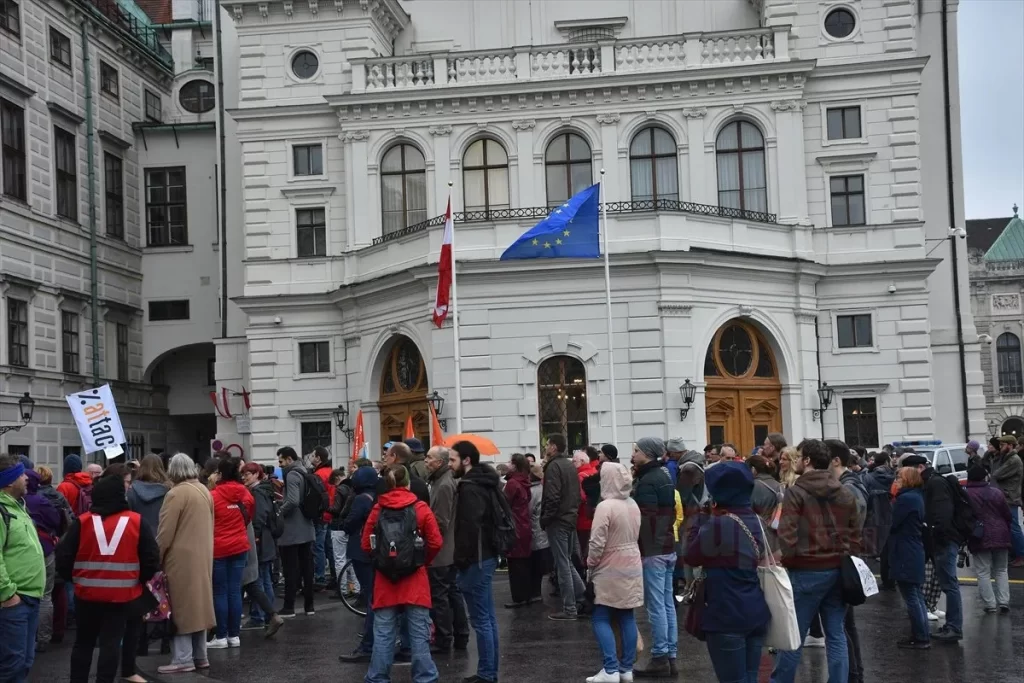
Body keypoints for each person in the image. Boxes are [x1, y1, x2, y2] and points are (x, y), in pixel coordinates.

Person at [771, 439, 862, 683]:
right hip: (837, 568)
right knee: (836, 634)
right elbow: (855, 533)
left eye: (799, 457)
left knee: (794, 635)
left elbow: (787, 534)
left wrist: (788, 560)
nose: (796, 460)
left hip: (806, 569)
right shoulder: (843, 491)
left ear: (808, 461)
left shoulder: (797, 492)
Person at [56, 472, 159, 683]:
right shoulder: (136, 522)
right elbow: (151, 558)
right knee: (110, 645)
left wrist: (74, 579)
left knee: (83, 643)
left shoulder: (83, 522)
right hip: (122, 596)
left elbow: (64, 556)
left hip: (86, 595)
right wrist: (138, 580)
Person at [684, 461, 771, 683]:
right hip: (755, 609)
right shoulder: (757, 521)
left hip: (726, 612)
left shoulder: (718, 525)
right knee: (750, 677)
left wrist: (699, 520)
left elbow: (691, 556)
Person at [361, 465, 442, 683]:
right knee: (419, 635)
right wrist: (420, 562)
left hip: (385, 580)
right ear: (408, 483)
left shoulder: (378, 509)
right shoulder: (420, 507)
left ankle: (378, 677)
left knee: (384, 634)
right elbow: (435, 541)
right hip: (415, 579)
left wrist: (382, 561)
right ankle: (425, 677)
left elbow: (366, 544)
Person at [156, 454, 216, 675]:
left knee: (180, 608)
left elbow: (165, 533)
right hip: (202, 555)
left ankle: (182, 658)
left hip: (179, 559)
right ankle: (200, 656)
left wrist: (156, 558)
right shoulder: (203, 490)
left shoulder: (175, 494)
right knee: (198, 607)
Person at [586, 462, 643, 683]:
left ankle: (610, 669)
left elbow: (597, 540)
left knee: (600, 616)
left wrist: (591, 563)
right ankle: (625, 668)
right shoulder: (632, 503)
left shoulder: (605, 506)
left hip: (610, 565)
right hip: (632, 561)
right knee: (626, 615)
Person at [451, 441, 502, 683]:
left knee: (482, 620)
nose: (450, 464)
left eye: (452, 460)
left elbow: (469, 527)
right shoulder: (485, 482)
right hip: (486, 555)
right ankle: (488, 671)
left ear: (466, 460)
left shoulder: (470, 487)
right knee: (487, 619)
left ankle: (487, 674)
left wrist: (460, 560)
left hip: (476, 559)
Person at [900, 453, 964, 641]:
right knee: (947, 583)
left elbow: (941, 515)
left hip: (944, 541)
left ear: (919, 468)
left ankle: (954, 627)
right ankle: (952, 626)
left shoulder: (935, 483)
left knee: (949, 584)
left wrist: (935, 536)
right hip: (940, 540)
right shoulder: (930, 483)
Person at [627, 438, 677, 678]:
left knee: (656, 605)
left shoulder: (648, 480)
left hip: (654, 550)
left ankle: (660, 656)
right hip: (667, 546)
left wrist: (642, 546)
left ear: (647, 453)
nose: (633, 453)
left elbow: (646, 518)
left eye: (636, 450)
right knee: (667, 604)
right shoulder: (664, 475)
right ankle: (670, 654)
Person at [0, 454, 45, 683]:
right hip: (13, 601)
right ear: (8, 482)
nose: (26, 478)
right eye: (20, 475)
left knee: (25, 662)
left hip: (29, 598)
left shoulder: (18, 507)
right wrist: (8, 594)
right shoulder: (1, 511)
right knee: (12, 666)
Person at [827, 439, 868, 683]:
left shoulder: (848, 489)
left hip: (844, 560)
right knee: (845, 624)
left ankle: (854, 674)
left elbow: (849, 526)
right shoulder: (847, 485)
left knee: (842, 625)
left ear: (836, 461)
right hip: (847, 558)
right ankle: (855, 673)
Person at [424, 446, 469, 653]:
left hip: (442, 552)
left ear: (440, 462)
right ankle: (460, 634)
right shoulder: (443, 480)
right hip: (449, 549)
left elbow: (440, 522)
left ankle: (445, 638)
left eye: (429, 458)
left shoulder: (443, 484)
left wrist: (429, 543)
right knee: (452, 592)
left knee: (441, 595)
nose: (426, 461)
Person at [207, 457, 255, 647]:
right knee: (235, 590)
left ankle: (220, 636)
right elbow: (249, 515)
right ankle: (234, 636)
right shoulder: (245, 493)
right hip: (240, 545)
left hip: (219, 548)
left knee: (220, 592)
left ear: (220, 474)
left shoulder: (212, 495)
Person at [337, 463, 381, 664]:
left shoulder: (361, 499)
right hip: (376, 550)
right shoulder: (379, 496)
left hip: (360, 550)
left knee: (371, 595)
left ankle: (368, 645)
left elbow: (349, 523)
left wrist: (345, 525)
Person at [540, 434, 586, 621]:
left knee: (562, 564)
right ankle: (583, 595)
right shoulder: (568, 465)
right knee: (566, 560)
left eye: (548, 444)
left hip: (558, 520)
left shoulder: (554, 466)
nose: (546, 447)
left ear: (554, 447)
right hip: (569, 518)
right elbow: (575, 494)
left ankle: (569, 608)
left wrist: (545, 519)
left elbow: (552, 497)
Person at [888, 466, 929, 649]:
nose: (896, 481)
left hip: (905, 550)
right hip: (913, 549)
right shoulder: (916, 496)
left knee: (911, 595)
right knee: (916, 594)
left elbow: (893, 523)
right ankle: (922, 634)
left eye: (899, 478)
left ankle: (920, 636)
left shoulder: (906, 499)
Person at [23, 468, 63, 655]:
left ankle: (24, 638)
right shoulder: (41, 501)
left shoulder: (14, 502)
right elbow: (56, 520)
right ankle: (43, 639)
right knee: (46, 595)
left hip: (22, 553)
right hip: (45, 549)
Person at [963, 464, 1012, 613]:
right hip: (1001, 533)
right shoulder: (996, 492)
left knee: (983, 571)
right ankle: (1004, 601)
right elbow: (1007, 514)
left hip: (978, 535)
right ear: (985, 477)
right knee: (1001, 569)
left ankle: (990, 604)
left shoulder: (965, 494)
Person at [276, 446, 316, 617]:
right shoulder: (304, 471)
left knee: (291, 568)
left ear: (289, 459)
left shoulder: (292, 474)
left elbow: (292, 500)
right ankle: (309, 606)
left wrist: (279, 511)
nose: (279, 465)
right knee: (307, 568)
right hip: (306, 527)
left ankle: (289, 606)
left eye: (281, 461)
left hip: (293, 529)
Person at [241, 462, 280, 629]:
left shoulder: (258, 492)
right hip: (267, 539)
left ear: (257, 474)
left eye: (247, 474)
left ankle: (261, 616)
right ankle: (265, 616)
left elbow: (259, 516)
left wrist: (254, 535)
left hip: (261, 540)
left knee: (261, 578)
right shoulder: (266, 489)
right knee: (264, 578)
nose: (244, 477)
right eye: (243, 474)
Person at [503, 453, 535, 608]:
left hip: (514, 525)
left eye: (510, 462)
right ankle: (527, 594)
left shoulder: (512, 483)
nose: (507, 464)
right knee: (524, 562)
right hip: (524, 524)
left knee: (515, 563)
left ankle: (518, 597)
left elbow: (504, 504)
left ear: (515, 465)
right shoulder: (525, 482)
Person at [986, 435, 1024, 567]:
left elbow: (997, 474)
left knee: (1014, 528)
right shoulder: (1006, 458)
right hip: (1005, 497)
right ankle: (1015, 553)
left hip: (1010, 498)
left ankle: (1021, 554)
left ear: (1010, 445)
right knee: (1008, 527)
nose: (1000, 447)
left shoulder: (1013, 460)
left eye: (1003, 445)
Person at [327, 467, 359, 600]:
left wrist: (324, 507)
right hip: (349, 527)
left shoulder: (340, 489)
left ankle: (343, 589)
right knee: (351, 559)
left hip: (338, 526)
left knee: (339, 559)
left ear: (336, 479)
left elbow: (337, 509)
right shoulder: (353, 488)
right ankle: (357, 588)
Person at [310, 447, 335, 589]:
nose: (311, 457)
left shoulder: (319, 474)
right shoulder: (330, 472)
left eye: (313, 455)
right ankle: (334, 576)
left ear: (318, 458)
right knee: (329, 547)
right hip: (331, 513)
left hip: (321, 515)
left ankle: (319, 578)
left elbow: (317, 496)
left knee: (318, 547)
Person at [747, 454, 781, 553]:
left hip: (758, 534)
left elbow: (748, 511)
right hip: (777, 534)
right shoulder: (780, 485)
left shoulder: (753, 486)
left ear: (753, 469)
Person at [528, 463, 551, 602]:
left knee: (535, 563)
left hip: (535, 530)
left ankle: (535, 593)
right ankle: (536, 591)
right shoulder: (542, 489)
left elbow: (529, 511)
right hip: (542, 531)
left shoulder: (532, 491)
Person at [577, 446, 601, 565]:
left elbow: (580, 498)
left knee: (583, 551)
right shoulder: (596, 472)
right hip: (595, 517)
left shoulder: (581, 476)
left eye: (574, 461)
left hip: (583, 518)